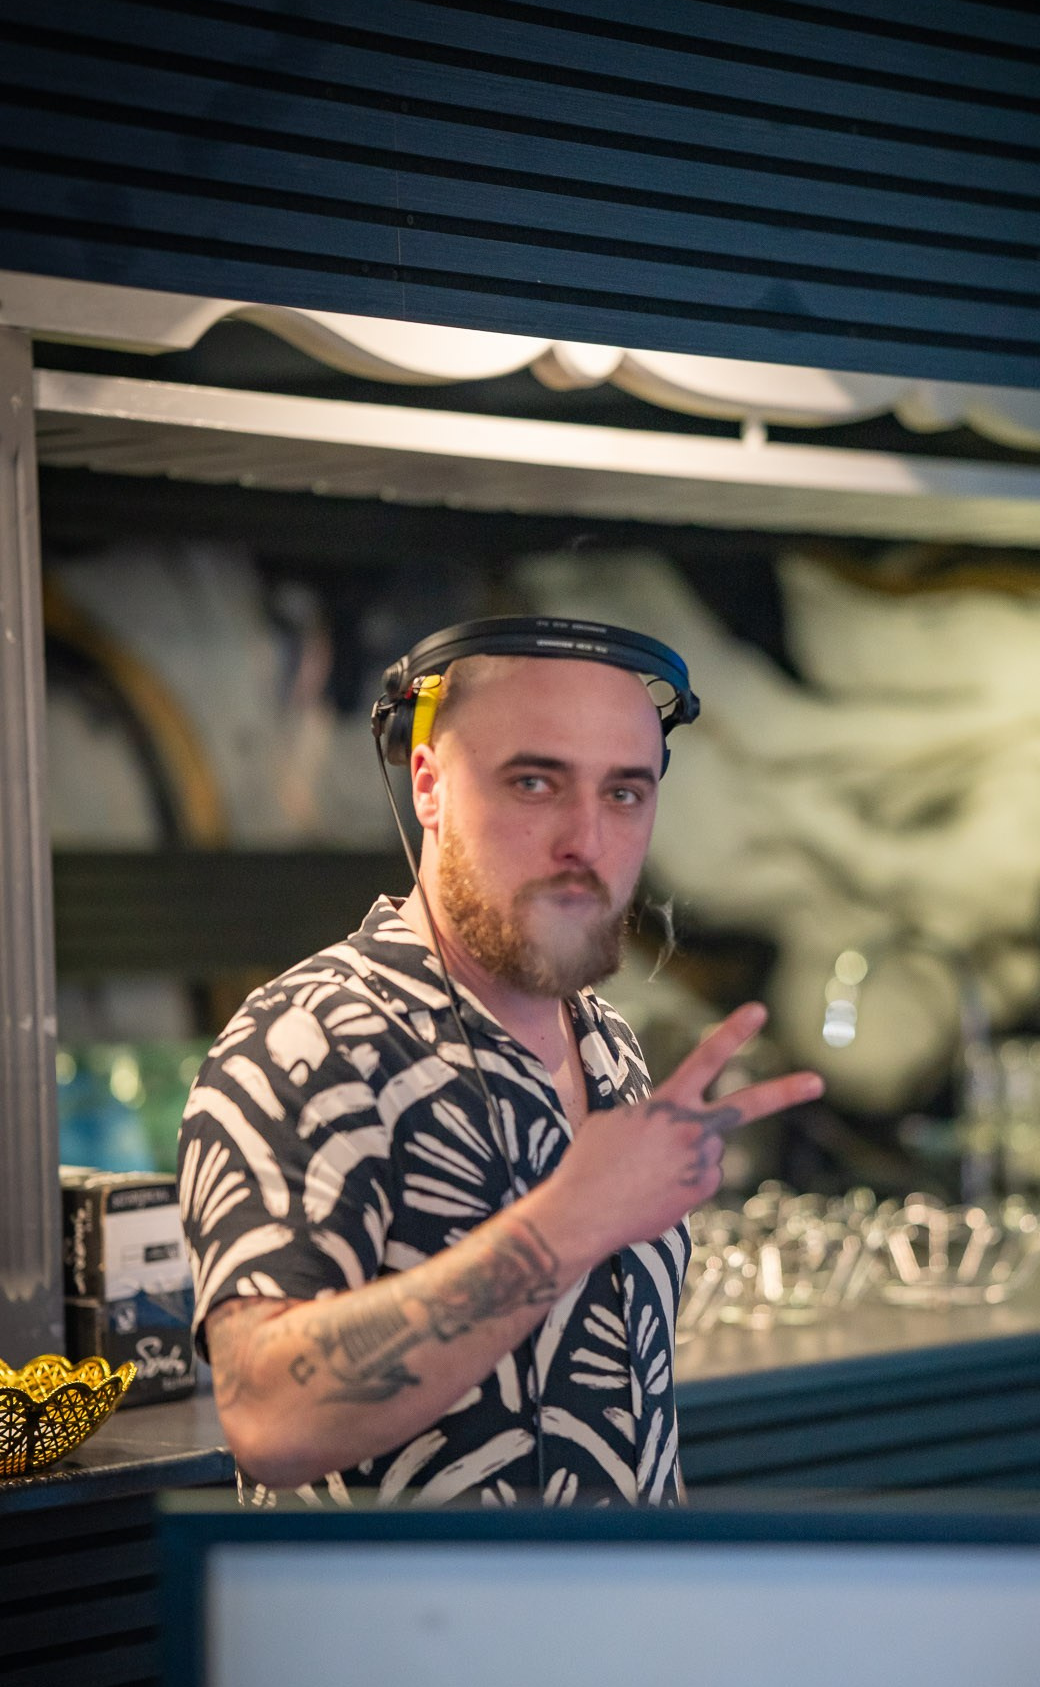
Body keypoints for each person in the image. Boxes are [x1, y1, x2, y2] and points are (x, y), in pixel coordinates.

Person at [177, 620, 824, 1507]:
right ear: (428, 786)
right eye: (534, 783)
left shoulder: (608, 1045)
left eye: (624, 793)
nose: (585, 838)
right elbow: (267, 1416)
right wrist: (570, 1221)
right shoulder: (309, 1039)